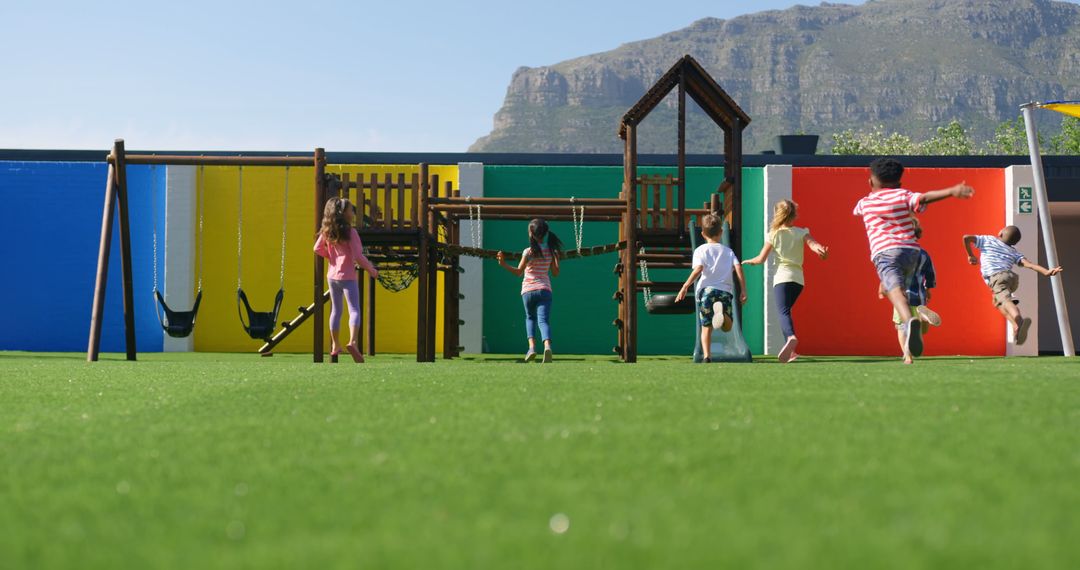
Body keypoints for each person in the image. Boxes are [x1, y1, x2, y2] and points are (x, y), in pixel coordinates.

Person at [854, 157, 974, 363]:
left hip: (884, 253)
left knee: (895, 291)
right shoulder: (903, 195)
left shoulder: (865, 203)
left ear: (871, 182)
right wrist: (951, 191)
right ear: (899, 183)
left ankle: (909, 321)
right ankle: (918, 311)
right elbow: (924, 198)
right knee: (898, 285)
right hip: (912, 252)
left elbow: (857, 211)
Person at [742, 200, 829, 363]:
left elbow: (761, 259)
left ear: (777, 215)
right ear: (794, 215)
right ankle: (791, 351)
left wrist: (749, 261)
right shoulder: (801, 232)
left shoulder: (773, 234)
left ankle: (790, 337)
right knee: (786, 311)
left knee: (783, 312)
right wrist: (821, 251)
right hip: (798, 281)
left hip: (782, 278)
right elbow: (814, 245)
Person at [962, 225, 1063, 345]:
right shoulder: (1014, 252)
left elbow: (966, 238)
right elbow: (1029, 264)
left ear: (1000, 233)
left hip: (997, 277)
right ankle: (1016, 326)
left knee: (1005, 301)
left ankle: (1019, 320)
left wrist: (970, 255)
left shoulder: (988, 240)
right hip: (1011, 278)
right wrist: (1046, 272)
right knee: (997, 303)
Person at [675, 213, 748, 363]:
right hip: (725, 292)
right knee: (727, 327)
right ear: (721, 232)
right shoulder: (728, 251)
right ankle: (723, 314)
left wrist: (685, 286)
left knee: (706, 327)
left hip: (706, 292)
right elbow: (738, 268)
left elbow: (698, 270)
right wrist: (743, 290)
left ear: (702, 234)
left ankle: (707, 356)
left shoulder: (700, 250)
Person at [314, 197, 379, 363]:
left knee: (336, 310)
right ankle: (353, 342)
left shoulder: (327, 230)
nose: (353, 212)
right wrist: (371, 269)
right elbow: (358, 256)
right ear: (344, 214)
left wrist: (331, 257)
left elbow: (317, 248)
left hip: (332, 276)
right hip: (348, 276)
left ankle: (335, 344)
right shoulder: (351, 232)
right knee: (354, 309)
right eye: (351, 210)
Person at [496, 219, 562, 363]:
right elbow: (556, 273)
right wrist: (557, 258)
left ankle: (532, 348)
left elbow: (519, 272)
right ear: (545, 233)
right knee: (543, 321)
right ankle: (547, 346)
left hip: (528, 291)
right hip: (544, 290)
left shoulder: (528, 251)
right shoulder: (551, 251)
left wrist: (503, 264)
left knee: (530, 318)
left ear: (531, 234)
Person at [879, 217, 940, 364]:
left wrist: (882, 287)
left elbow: (890, 273)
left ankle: (908, 356)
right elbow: (930, 273)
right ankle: (923, 316)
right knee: (919, 329)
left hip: (901, 296)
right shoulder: (924, 254)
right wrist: (928, 288)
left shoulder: (895, 254)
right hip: (919, 295)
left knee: (902, 327)